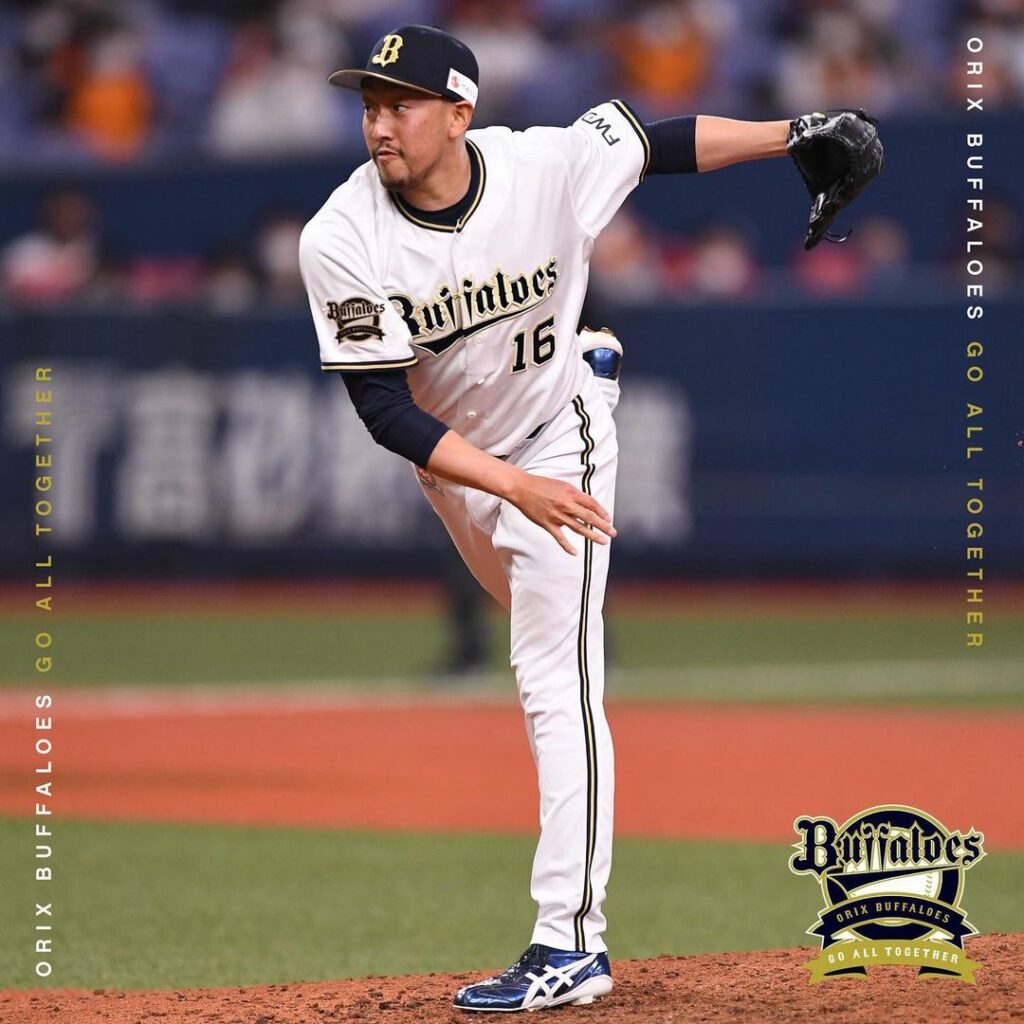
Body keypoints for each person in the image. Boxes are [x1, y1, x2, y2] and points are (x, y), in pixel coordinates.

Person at [299, 24, 873, 1013]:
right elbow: (385, 410)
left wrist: (792, 133)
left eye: (402, 104)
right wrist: (506, 487)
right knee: (538, 626)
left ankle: (569, 943)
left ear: (459, 113)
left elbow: (657, 142)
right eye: (370, 104)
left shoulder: (543, 166)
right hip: (466, 473)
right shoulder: (341, 235)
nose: (380, 123)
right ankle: (594, 361)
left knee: (554, 681)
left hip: (559, 442)